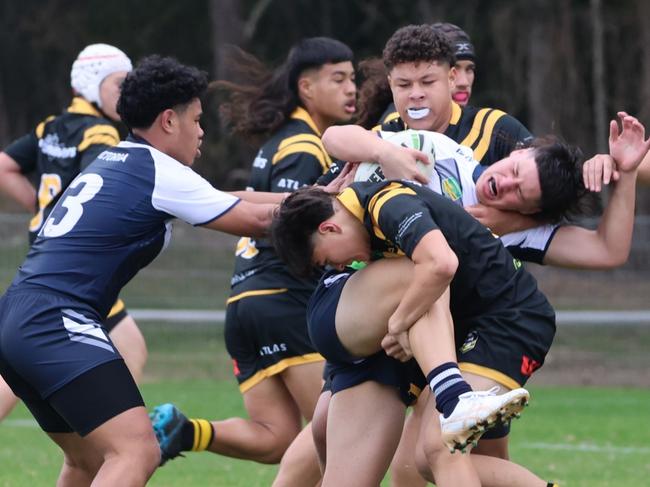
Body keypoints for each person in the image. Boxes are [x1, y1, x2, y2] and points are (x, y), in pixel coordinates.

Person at [0, 54, 291, 486]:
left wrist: (312, 192)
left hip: (16, 313)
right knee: (138, 449)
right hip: (55, 319)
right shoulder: (158, 170)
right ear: (169, 121)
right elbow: (257, 222)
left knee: (88, 463)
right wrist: (342, 207)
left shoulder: (120, 158)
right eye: (197, 118)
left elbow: (221, 197)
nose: (202, 131)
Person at [314, 113, 649, 486]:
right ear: (518, 152)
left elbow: (608, 250)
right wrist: (383, 150)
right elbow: (335, 136)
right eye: (514, 171)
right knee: (365, 442)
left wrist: (626, 174)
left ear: (529, 212)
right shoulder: (443, 153)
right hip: (435, 333)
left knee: (438, 450)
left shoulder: (513, 229)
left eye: (519, 194)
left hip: (485, 331)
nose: (503, 184)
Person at [149, 38, 356, 483]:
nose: (351, 89)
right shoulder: (304, 147)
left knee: (277, 436)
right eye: (338, 79)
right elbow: (292, 221)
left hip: (244, 305)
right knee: (343, 423)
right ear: (306, 87)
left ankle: (184, 433)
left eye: (353, 78)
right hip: (283, 300)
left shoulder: (278, 142)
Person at [270, 180, 554, 486]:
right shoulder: (365, 225)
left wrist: (398, 323)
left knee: (441, 445)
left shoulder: (385, 202)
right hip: (468, 320)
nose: (339, 266)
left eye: (326, 259)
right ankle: (455, 399)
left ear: (329, 229)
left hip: (508, 321)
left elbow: (440, 265)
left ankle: (454, 397)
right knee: (427, 459)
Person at [0, 43, 148, 422]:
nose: (126, 93)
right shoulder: (100, 134)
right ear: (91, 84)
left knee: (130, 346)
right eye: (119, 84)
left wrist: (44, 212)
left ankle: (101, 437)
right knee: (127, 349)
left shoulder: (51, 127)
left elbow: (4, 166)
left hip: (47, 257)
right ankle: (106, 435)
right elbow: (103, 189)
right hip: (73, 270)